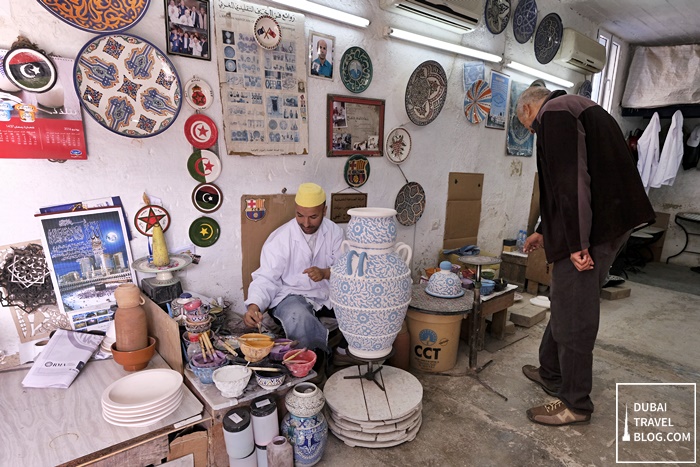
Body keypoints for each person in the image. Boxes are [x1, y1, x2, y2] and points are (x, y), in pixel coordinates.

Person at [516, 86, 655, 426]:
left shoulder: (556, 113)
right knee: (566, 298)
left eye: (529, 126)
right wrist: (544, 230)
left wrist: (577, 243)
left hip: (593, 230)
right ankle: (551, 371)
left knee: (575, 309)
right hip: (606, 222)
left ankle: (575, 402)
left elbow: (571, 181)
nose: (534, 133)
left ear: (531, 109)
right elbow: (567, 181)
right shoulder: (576, 107)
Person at [243, 183, 344, 363]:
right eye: (300, 215)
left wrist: (326, 273)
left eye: (313, 216)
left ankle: (341, 355)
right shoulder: (281, 238)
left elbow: (347, 270)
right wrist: (254, 306)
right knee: (300, 318)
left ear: (324, 210)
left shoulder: (335, 232)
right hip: (289, 296)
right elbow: (266, 277)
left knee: (357, 309)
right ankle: (311, 367)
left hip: (325, 295)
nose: (306, 223)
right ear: (295, 210)